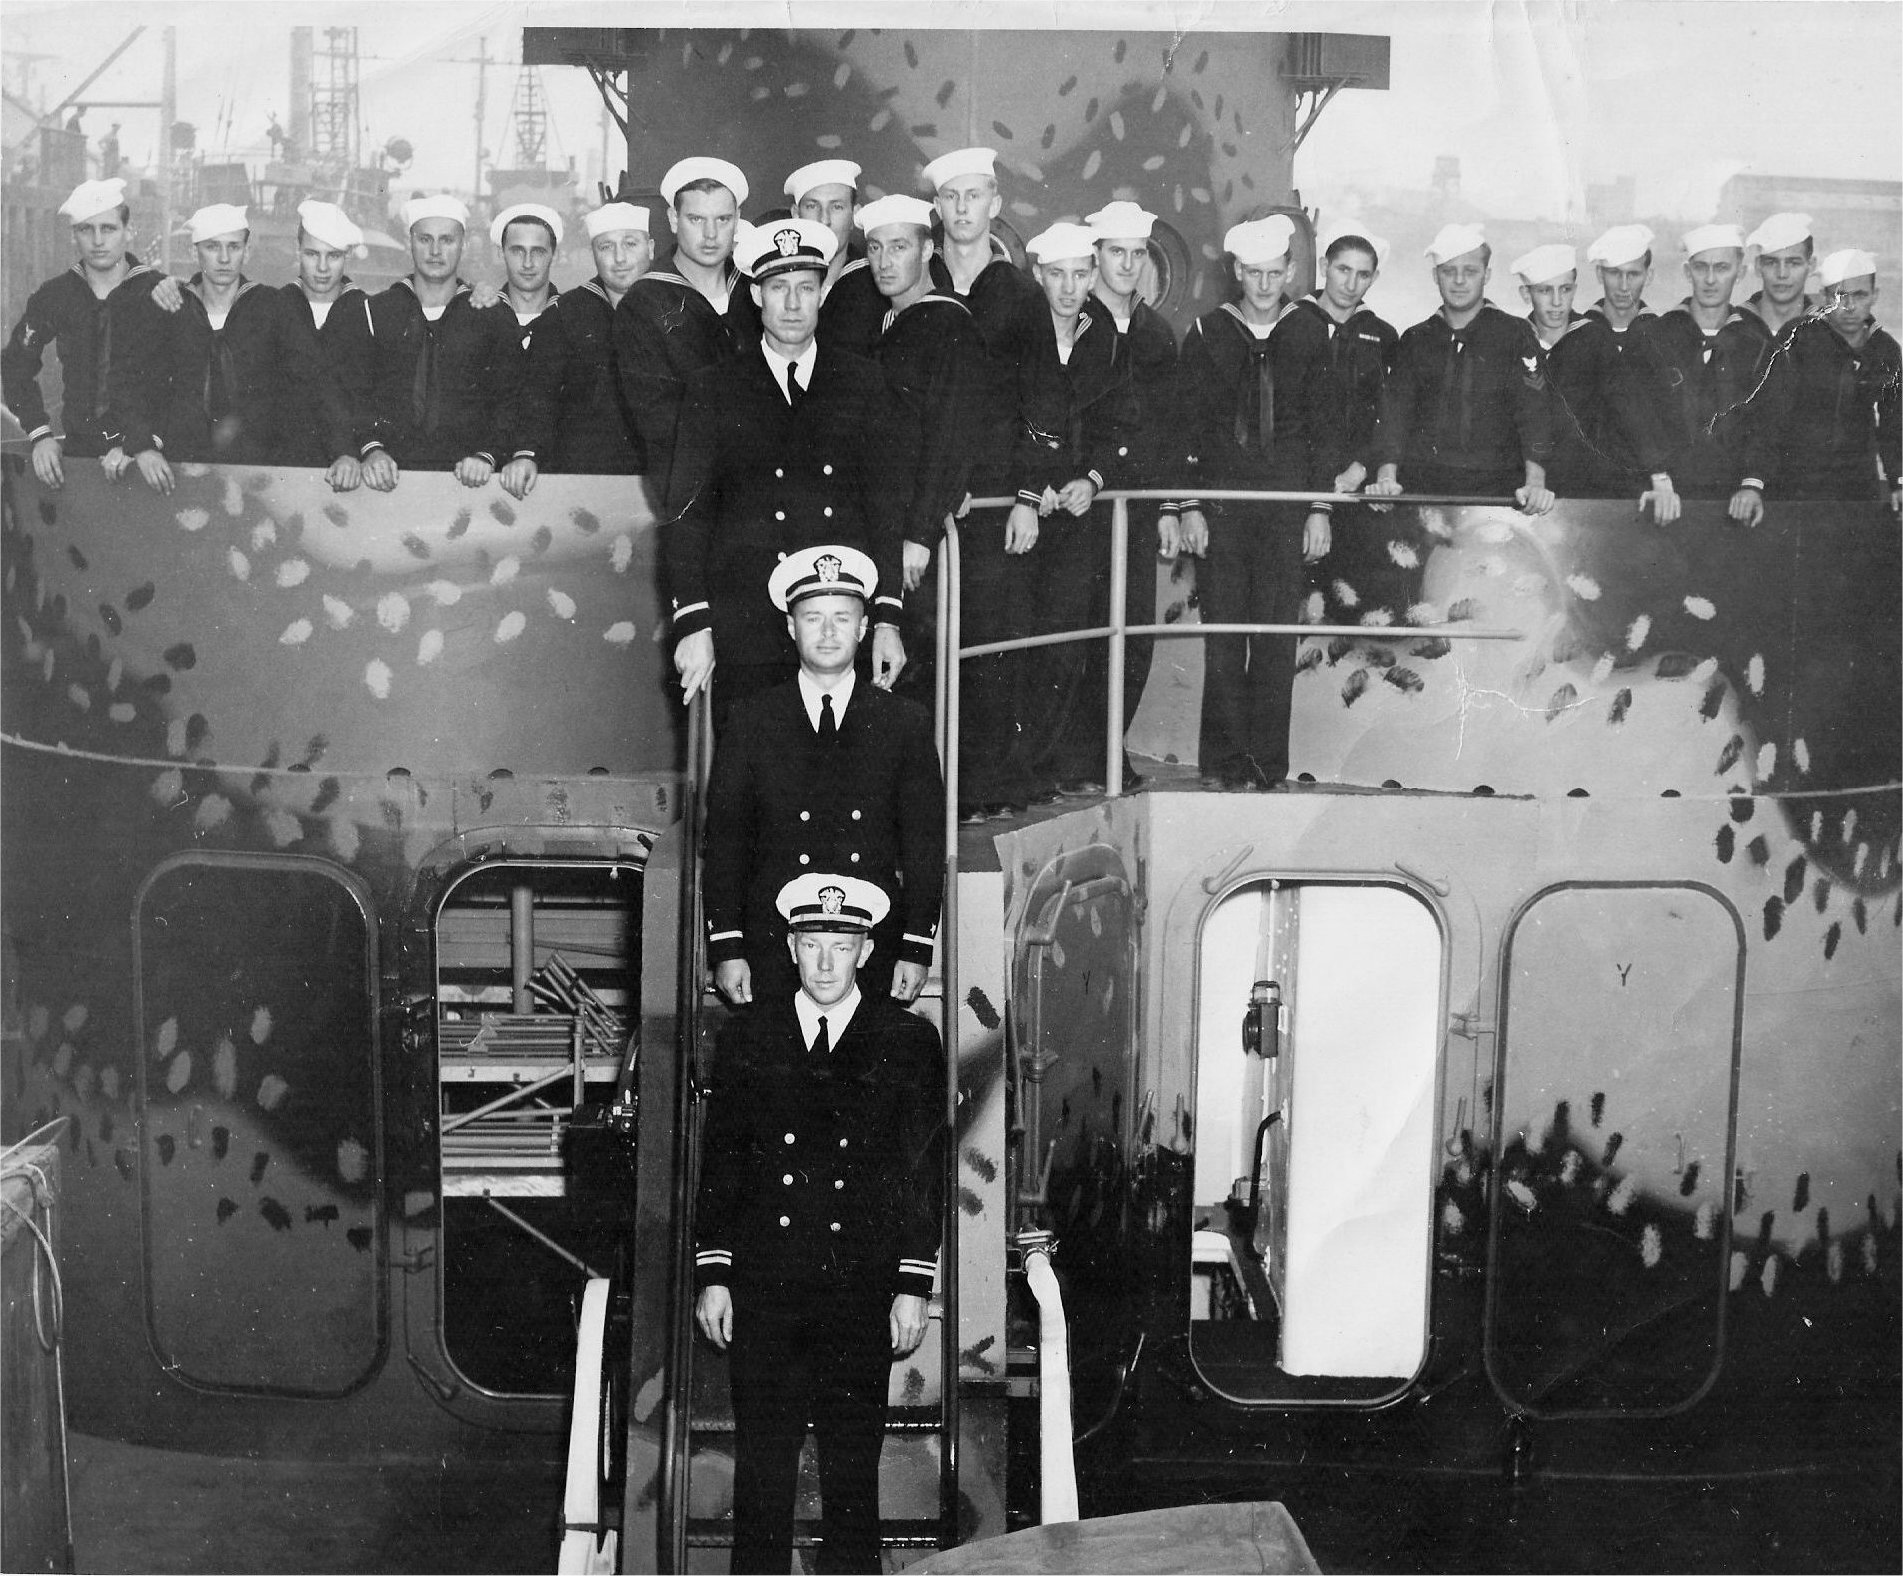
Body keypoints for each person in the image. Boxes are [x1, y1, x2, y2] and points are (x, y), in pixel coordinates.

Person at [694, 871, 944, 1576]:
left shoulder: (906, 1040)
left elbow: (922, 1171)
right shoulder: (749, 1036)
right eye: (811, 944)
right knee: (762, 1475)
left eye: (841, 944)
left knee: (852, 1476)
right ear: (791, 948)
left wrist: (912, 1283)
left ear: (867, 950)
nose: (826, 962)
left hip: (857, 1291)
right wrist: (715, 1273)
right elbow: (723, 1162)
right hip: (766, 1287)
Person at [666, 217, 909, 725]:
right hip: (748, 621)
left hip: (836, 623)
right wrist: (693, 621)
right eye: (779, 288)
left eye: (806, 288)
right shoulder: (714, 388)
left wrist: (887, 617)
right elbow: (688, 516)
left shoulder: (863, 382)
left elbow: (884, 509)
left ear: (822, 293)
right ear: (757, 295)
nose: (793, 304)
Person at [702, 545, 944, 1007]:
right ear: (791, 627)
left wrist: (916, 946)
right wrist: (728, 946)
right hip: (775, 941)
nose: (829, 632)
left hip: (870, 943)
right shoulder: (751, 719)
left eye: (842, 618)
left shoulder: (903, 722)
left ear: (864, 627)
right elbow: (726, 842)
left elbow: (924, 844)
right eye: (813, 618)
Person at [920, 146, 1046, 818]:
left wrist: (1025, 496)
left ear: (995, 205)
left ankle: (983, 788)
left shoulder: (1020, 295)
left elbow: (1041, 400)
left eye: (974, 196)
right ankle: (926, 787)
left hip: (994, 502)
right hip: (927, 500)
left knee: (991, 646)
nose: (962, 209)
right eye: (951, 197)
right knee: (923, 644)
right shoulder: (918, 280)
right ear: (936, 207)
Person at [1175, 215, 1313, 791]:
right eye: (1253, 273)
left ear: (1290, 272)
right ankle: (1224, 762)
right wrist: (1190, 505)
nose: (1264, 285)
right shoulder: (1208, 334)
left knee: (1277, 639)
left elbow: (1323, 430)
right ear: (1236, 271)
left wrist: (1319, 509)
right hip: (1223, 511)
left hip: (1284, 512)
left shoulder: (1311, 334)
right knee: (1225, 638)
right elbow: (1187, 427)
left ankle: (1267, 765)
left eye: (1274, 273)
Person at [1005, 221, 1139, 800]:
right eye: (1057, 275)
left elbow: (1118, 426)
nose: (1068, 288)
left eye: (1079, 275)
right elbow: (1006, 422)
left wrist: (1092, 479)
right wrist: (1030, 489)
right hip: (1020, 513)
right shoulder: (1016, 332)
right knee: (1015, 644)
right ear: (1039, 275)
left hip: (1076, 518)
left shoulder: (1101, 335)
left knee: (1064, 649)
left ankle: (1044, 768)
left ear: (1092, 277)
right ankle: (1010, 773)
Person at [107, 203, 324, 489]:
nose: (224, 258)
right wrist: (141, 445)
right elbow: (129, 383)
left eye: (234, 247)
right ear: (193, 252)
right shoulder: (170, 308)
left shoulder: (272, 308)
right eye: (212, 247)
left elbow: (304, 387)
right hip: (182, 464)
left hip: (258, 466)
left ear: (247, 251)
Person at [1085, 200, 1185, 779]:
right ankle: (1069, 757)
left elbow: (1169, 430)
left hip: (1140, 506)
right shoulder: (1075, 322)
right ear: (1096, 256)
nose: (1126, 264)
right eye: (1115, 252)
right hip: (1084, 505)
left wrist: (1168, 506)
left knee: (1133, 633)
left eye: (1136, 253)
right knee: (1078, 632)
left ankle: (1108, 751)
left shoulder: (1156, 334)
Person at [1264, 223, 1399, 628]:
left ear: (1374, 278)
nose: (1351, 283)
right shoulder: (1287, 323)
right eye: (1343, 270)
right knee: (1286, 603)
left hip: (1354, 485)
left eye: (1362, 274)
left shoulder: (1383, 335)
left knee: (1349, 602)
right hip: (1297, 482)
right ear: (1324, 267)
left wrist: (1362, 466)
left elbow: (1389, 416)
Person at [1367, 222, 1555, 512]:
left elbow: (1534, 411)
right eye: (1448, 271)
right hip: (1424, 486)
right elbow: (1396, 413)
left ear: (1486, 275)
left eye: (1470, 271)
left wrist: (1536, 482)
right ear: (1435, 276)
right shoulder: (1416, 338)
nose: (1458, 281)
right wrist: (1386, 477)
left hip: (1498, 488)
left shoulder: (1515, 334)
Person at [2, 177, 170, 488]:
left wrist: (145, 443)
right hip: (80, 454)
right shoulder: (56, 295)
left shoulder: (159, 292)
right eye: (86, 229)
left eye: (109, 228)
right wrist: (40, 434)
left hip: (153, 458)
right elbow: (15, 364)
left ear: (129, 231)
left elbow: (188, 380)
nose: (98, 240)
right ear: (73, 236)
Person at [358, 193, 522, 490]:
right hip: (388, 477)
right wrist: (372, 449)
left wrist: (486, 455)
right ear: (409, 242)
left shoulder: (490, 315)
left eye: (447, 240)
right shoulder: (377, 311)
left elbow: (509, 401)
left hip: (469, 480)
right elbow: (357, 394)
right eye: (425, 239)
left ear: (463, 245)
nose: (435, 251)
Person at [614, 156, 747, 507]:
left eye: (723, 219)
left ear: (737, 220)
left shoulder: (757, 291)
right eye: (696, 219)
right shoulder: (643, 304)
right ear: (673, 219)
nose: (710, 234)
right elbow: (658, 420)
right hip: (692, 493)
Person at [1512, 242, 1679, 520]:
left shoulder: (1594, 339)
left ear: (1574, 290)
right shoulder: (1513, 340)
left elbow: (1630, 406)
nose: (1557, 302)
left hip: (1584, 489)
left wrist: (1659, 478)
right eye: (1544, 291)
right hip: (1525, 489)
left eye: (1565, 289)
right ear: (1525, 294)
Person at [500, 201, 651, 496]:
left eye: (630, 244)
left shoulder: (677, 305)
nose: (619, 258)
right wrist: (526, 453)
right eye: (606, 247)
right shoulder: (566, 312)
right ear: (593, 254)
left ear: (651, 248)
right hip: (585, 472)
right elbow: (539, 392)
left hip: (659, 473)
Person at [1747, 246, 1901, 506]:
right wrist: (1753, 482)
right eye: (1840, 296)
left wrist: (1899, 481)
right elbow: (1769, 414)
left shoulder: (1885, 349)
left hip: (1858, 489)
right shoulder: (1797, 337)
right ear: (1824, 297)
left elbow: (1894, 424)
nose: (1849, 306)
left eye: (1860, 295)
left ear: (1874, 295)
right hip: (1795, 486)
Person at [1647, 224, 1772, 526]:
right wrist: (1656, 476)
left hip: (1732, 502)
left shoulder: (1756, 343)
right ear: (1687, 272)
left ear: (1740, 273)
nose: (1711, 279)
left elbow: (1767, 422)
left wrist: (1752, 484)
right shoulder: (1656, 336)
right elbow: (1639, 416)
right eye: (1701, 267)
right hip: (1666, 497)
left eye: (1722, 268)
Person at [1579, 224, 1681, 522]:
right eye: (1614, 273)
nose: (1623, 286)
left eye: (1633, 274)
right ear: (1599, 275)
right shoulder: (1577, 336)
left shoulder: (1668, 337)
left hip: (1651, 493)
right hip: (1582, 492)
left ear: (1649, 276)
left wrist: (1662, 477)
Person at [273, 198, 375, 485]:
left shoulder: (369, 313)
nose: (321, 267)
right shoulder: (273, 309)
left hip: (352, 472)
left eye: (333, 256)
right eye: (312, 254)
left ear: (347, 256)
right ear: (297, 251)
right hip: (281, 471)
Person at [786, 158, 888, 357]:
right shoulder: (773, 286)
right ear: (796, 215)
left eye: (837, 207)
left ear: (854, 215)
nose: (824, 220)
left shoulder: (877, 288)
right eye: (812, 206)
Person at [488, 201, 564, 362]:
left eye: (538, 251)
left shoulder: (573, 319)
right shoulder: (481, 320)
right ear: (501, 254)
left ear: (555, 255)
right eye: (518, 251)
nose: (527, 263)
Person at [1743, 212, 1817, 338]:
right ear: (1758, 265)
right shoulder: (1732, 326)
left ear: (1811, 266)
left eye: (1793, 263)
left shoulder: (1828, 331)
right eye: (1771, 262)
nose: (1782, 274)